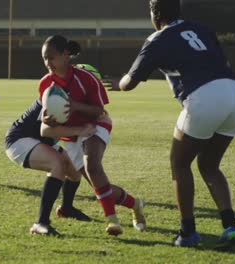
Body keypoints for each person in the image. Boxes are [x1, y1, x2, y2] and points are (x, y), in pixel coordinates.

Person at [119, 0, 235, 248]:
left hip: (203, 98)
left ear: (155, 13)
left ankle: (187, 232)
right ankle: (230, 227)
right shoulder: (201, 29)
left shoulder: (157, 39)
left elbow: (129, 83)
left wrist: (117, 81)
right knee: (209, 165)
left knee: (179, 163)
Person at [39, 35, 146, 236]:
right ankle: (135, 204)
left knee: (92, 165)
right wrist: (49, 119)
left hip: (96, 125)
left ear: (65, 55)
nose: (48, 63)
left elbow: (99, 110)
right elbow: (47, 119)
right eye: (45, 58)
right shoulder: (45, 84)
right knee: (99, 186)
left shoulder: (85, 77)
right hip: (71, 137)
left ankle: (112, 221)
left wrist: (75, 106)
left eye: (51, 57)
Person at [5, 99, 95, 235]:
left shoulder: (77, 98)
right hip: (19, 140)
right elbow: (46, 130)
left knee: (75, 170)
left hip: (42, 141)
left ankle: (67, 208)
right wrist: (80, 129)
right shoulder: (57, 95)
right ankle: (41, 223)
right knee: (57, 164)